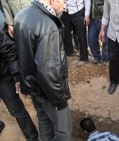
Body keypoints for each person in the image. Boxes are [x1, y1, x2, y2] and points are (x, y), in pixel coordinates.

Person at [14, 0, 72, 140]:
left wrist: (21, 80)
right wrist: (60, 100)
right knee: (63, 131)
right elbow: (48, 71)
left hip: (34, 87)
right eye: (63, 1)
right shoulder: (48, 25)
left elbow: (21, 53)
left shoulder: (22, 15)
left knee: (44, 122)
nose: (65, 5)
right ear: (52, 0)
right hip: (49, 92)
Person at [0, 27, 38, 140]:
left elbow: (10, 51)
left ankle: (32, 136)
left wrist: (16, 75)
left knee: (16, 109)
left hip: (3, 78)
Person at [61, 0, 90, 67]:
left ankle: (83, 57)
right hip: (66, 11)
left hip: (78, 12)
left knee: (81, 35)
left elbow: (87, 1)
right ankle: (69, 52)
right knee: (65, 32)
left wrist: (87, 15)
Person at [88, 0, 108, 65]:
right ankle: (96, 56)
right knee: (91, 39)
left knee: (106, 39)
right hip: (92, 18)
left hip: (103, 17)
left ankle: (105, 58)